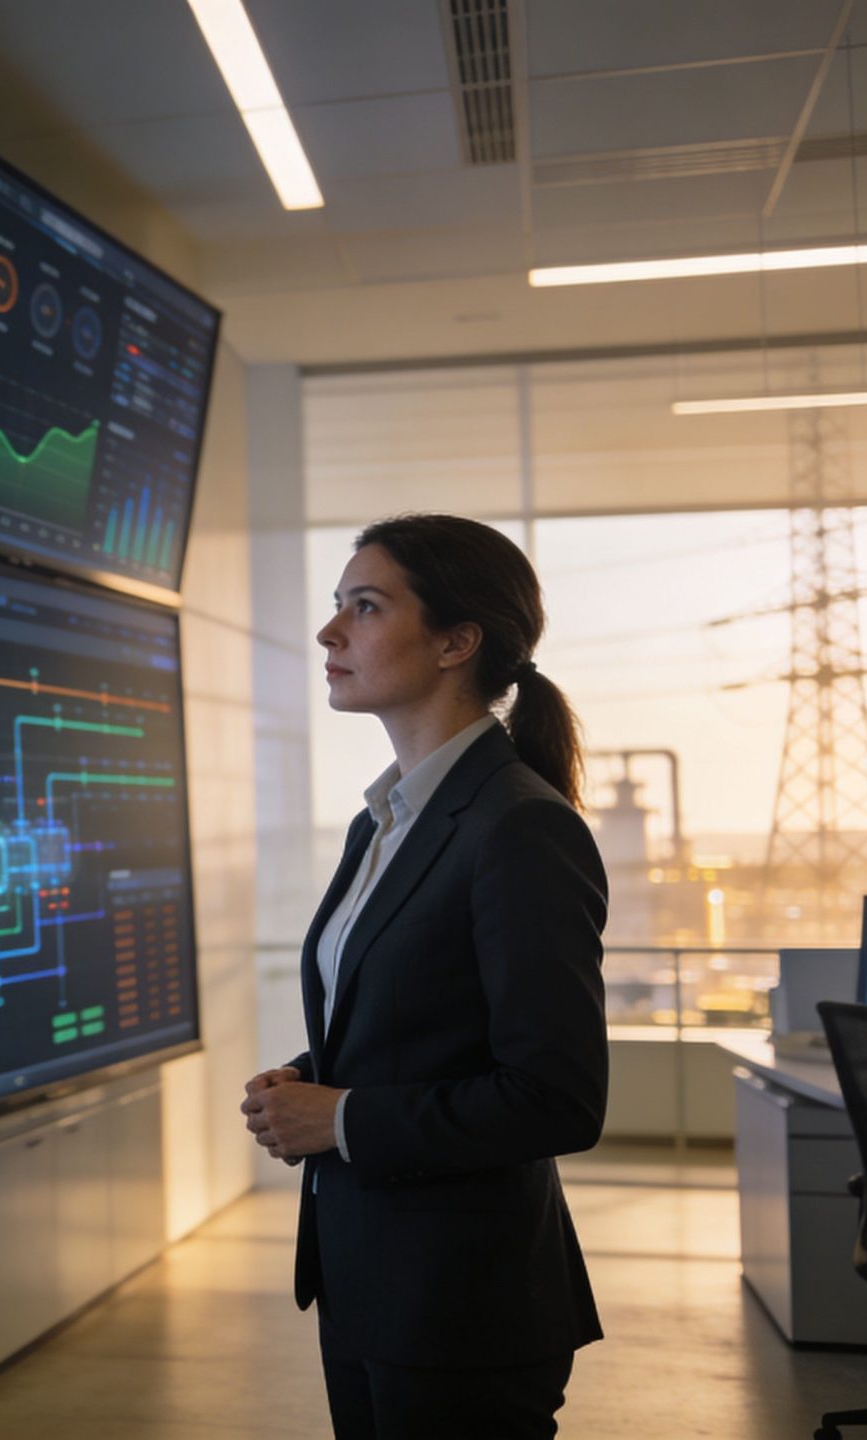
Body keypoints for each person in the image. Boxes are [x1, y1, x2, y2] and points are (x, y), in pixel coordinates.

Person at [240, 514, 608, 1440]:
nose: (331, 634)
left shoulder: (518, 825)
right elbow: (414, 1014)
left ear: (456, 641)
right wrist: (309, 1081)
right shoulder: (385, 822)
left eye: (365, 608)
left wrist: (343, 1117)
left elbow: (558, 1097)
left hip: (462, 1303)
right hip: (367, 1280)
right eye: (337, 608)